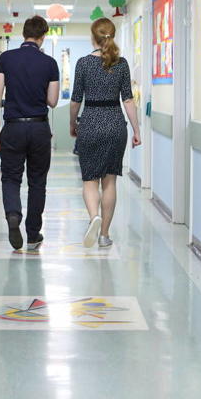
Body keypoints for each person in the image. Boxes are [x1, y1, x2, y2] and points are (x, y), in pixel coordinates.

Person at [69, 17, 141, 248]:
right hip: (114, 124)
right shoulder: (121, 64)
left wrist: (73, 124)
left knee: (90, 180)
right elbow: (128, 99)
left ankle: (94, 218)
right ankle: (104, 235)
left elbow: (75, 100)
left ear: (93, 37)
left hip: (89, 122)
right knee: (109, 182)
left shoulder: (83, 63)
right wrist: (137, 130)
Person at [0, 16, 60, 251]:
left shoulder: (6, 58)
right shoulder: (49, 63)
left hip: (14, 126)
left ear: (24, 34)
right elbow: (52, 101)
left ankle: (12, 214)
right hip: (39, 128)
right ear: (43, 37)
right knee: (37, 182)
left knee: (10, 177)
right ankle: (32, 233)